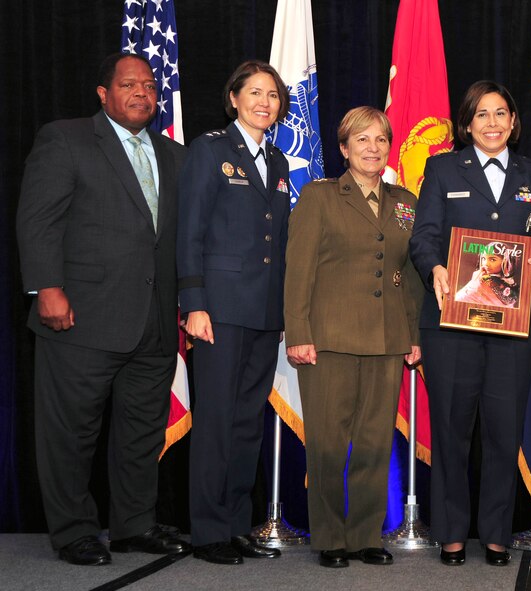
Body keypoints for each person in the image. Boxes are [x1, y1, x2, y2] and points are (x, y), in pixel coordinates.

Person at [16, 53, 190, 565]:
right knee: (70, 434)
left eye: (149, 85)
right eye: (128, 84)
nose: (141, 92)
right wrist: (46, 287)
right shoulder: (65, 138)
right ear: (103, 92)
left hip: (154, 320)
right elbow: (38, 219)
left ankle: (133, 526)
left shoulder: (174, 155)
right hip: (80, 317)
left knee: (140, 433)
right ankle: (73, 531)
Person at [410, 81, 531, 567]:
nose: (492, 123)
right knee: (451, 428)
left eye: (501, 114)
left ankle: (497, 534)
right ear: (466, 124)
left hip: (513, 327)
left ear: (514, 123)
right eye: (482, 115)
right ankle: (450, 533)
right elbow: (424, 236)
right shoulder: (442, 168)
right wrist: (433, 267)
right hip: (451, 322)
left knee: (503, 429)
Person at [285, 106, 423, 568]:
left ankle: (365, 536)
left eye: (381, 139)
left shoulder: (406, 201)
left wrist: (414, 334)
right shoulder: (319, 196)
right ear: (344, 149)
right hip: (329, 338)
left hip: (387, 339)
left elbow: (411, 275)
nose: (373, 148)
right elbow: (298, 272)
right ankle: (328, 537)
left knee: (373, 442)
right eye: (362, 140)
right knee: (327, 442)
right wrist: (299, 333)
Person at [177, 60, 291, 565]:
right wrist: (194, 303)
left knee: (247, 422)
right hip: (219, 310)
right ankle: (206, 532)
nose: (264, 102)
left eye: (272, 95)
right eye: (255, 93)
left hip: (266, 311)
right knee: (218, 421)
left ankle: (236, 524)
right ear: (234, 99)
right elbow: (190, 232)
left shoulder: (280, 160)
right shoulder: (209, 150)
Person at [454, 245, 519, 307]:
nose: (486, 264)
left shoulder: (508, 281)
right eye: (483, 259)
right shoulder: (480, 276)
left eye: (492, 260)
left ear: (506, 261)